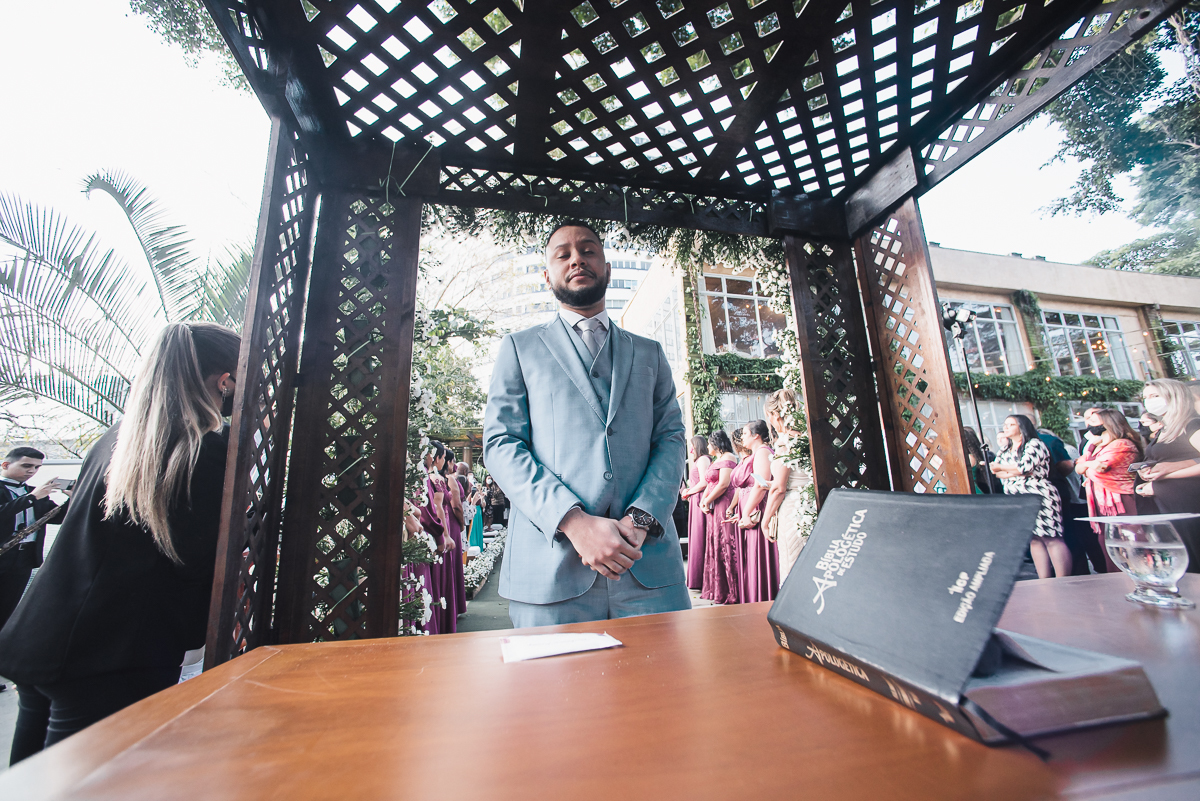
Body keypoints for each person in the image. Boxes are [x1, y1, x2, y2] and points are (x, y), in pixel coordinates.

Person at [0, 322, 239, 764]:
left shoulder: (119, 437)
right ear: (225, 381)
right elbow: (199, 557)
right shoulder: (201, 448)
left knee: (30, 781)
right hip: (114, 650)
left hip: (44, 632)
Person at [483, 220, 689, 627]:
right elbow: (502, 444)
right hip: (552, 572)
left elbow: (671, 439)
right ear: (547, 276)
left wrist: (642, 520)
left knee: (664, 688)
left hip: (647, 570)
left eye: (589, 250)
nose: (577, 258)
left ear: (608, 267)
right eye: (563, 254)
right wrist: (573, 522)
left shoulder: (649, 353)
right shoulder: (519, 349)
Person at [989, 414, 1070, 579]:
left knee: (1050, 537)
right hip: (1017, 497)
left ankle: (1063, 579)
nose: (1006, 427)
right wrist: (1011, 470)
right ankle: (1043, 579)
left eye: (1011, 424)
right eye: (1005, 424)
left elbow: (1022, 468)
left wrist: (1009, 470)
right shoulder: (1005, 448)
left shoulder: (1034, 444)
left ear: (1022, 427)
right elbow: (995, 471)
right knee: (1033, 539)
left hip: (1038, 495)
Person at [0, 447, 68, 633]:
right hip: (2, 554)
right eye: (26, 465)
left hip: (23, 558)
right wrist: (31, 498)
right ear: (5, 465)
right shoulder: (33, 494)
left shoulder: (34, 492)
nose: (32, 471)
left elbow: (58, 518)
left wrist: (73, 499)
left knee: (9, 609)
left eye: (37, 467)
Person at [1136, 379, 1200, 571]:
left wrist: (1168, 474)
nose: (1149, 401)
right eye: (1146, 397)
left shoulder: (1192, 425)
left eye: (1155, 396)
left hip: (1188, 505)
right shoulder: (1164, 429)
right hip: (1165, 504)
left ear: (1174, 396)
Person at [1076, 408, 1142, 572]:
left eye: (1094, 421)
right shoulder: (1096, 446)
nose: (1089, 425)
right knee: (1107, 540)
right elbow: (1078, 467)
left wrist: (1088, 468)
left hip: (1120, 500)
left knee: (1128, 539)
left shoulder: (1123, 444)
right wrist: (1090, 465)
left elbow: (1101, 470)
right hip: (1100, 501)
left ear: (1108, 423)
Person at [761, 389, 814, 581]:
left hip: (793, 510)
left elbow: (779, 488)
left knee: (792, 565)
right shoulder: (805, 437)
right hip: (809, 504)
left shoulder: (785, 442)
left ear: (774, 415)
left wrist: (765, 521)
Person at [731, 420, 777, 602]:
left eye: (744, 433)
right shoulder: (758, 453)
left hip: (757, 509)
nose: (741, 437)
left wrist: (746, 512)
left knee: (759, 556)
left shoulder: (763, 452)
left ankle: (763, 597)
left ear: (755, 435)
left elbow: (761, 485)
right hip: (751, 508)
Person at [700, 430, 740, 605]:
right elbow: (710, 483)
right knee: (715, 542)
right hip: (713, 505)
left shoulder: (729, 458)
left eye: (709, 443)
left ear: (716, 444)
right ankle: (717, 589)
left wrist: (707, 500)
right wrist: (703, 501)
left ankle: (730, 589)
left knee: (725, 542)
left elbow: (723, 484)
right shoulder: (716, 460)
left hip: (723, 503)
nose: (708, 447)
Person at [680, 435, 711, 591]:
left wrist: (688, 491)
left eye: (691, 446)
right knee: (695, 537)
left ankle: (702, 578)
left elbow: (705, 482)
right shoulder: (698, 461)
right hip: (694, 499)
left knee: (699, 536)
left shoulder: (703, 460)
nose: (690, 450)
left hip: (699, 499)